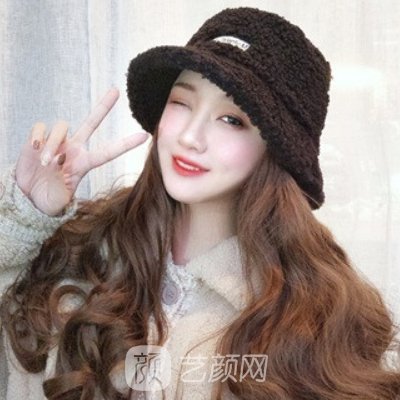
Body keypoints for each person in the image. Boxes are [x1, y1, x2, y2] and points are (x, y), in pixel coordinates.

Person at [0, 6, 399, 400]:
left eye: (231, 119)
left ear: (276, 152)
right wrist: (27, 217)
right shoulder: (87, 256)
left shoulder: (312, 316)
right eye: (182, 102)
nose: (191, 136)